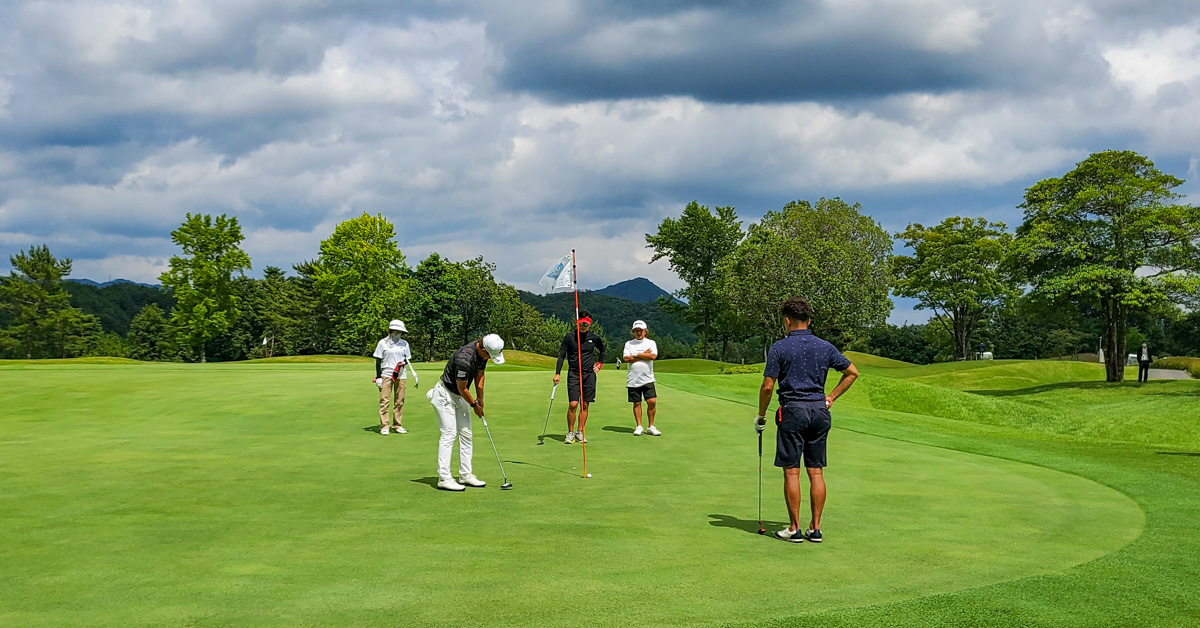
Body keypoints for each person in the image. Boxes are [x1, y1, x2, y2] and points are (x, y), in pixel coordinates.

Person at [755, 297, 859, 544]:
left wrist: (761, 415)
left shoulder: (779, 348)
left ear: (787, 321)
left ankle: (794, 528)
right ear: (809, 321)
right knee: (815, 470)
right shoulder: (825, 346)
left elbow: (768, 387)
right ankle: (816, 528)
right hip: (819, 411)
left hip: (792, 410)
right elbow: (852, 372)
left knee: (792, 471)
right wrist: (831, 397)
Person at [426, 334, 506, 491]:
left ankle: (466, 475)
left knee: (466, 434)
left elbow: (480, 375)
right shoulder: (465, 358)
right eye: (489, 355)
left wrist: (480, 398)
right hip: (445, 395)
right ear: (482, 349)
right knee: (449, 434)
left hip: (460, 395)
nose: (489, 358)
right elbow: (462, 387)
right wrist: (474, 404)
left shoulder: (483, 353)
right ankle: (444, 478)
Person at [553, 310, 605, 444]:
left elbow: (603, 351)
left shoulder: (594, 338)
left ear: (590, 324)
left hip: (589, 375)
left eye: (586, 324)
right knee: (573, 404)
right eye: (581, 323)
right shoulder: (570, 337)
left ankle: (580, 432)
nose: (583, 327)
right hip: (574, 374)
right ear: (577, 322)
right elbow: (561, 355)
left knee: (585, 404)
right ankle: (570, 433)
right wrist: (558, 373)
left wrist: (599, 364)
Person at [373, 320, 414, 435]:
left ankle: (397, 425)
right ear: (391, 331)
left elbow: (407, 359)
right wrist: (378, 377)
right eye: (396, 331)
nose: (398, 334)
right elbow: (378, 360)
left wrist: (401, 365)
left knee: (399, 400)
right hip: (386, 373)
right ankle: (385, 426)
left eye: (400, 332)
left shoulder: (404, 344)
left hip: (401, 374)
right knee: (384, 400)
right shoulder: (382, 343)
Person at [623, 320, 660, 436]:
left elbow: (653, 356)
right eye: (636, 331)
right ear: (633, 332)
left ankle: (651, 426)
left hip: (648, 378)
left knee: (652, 401)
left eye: (641, 330)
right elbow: (626, 359)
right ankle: (639, 426)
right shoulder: (629, 344)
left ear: (645, 332)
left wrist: (635, 354)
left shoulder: (651, 343)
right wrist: (644, 355)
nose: (638, 333)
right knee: (637, 403)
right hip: (633, 379)